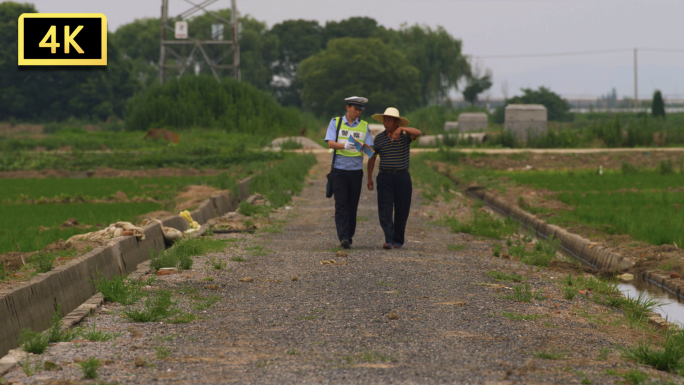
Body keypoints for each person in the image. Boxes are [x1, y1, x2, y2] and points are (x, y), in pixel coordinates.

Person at [366, 107, 421, 249]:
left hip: (402, 177)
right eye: (385, 120)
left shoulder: (405, 135)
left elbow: (418, 133)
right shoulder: (379, 138)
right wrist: (369, 178)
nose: (386, 122)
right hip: (385, 177)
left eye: (389, 120)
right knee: (385, 209)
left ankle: (398, 240)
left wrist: (402, 129)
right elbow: (371, 157)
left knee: (402, 210)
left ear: (396, 121)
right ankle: (388, 239)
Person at [325, 96, 375, 249]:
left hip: (355, 172)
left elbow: (371, 150)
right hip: (339, 170)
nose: (357, 113)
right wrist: (344, 146)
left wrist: (366, 149)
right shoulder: (336, 122)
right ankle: (343, 237)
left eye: (360, 110)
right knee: (341, 204)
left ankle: (349, 235)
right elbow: (330, 143)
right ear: (348, 107)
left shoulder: (364, 126)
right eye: (355, 109)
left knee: (352, 206)